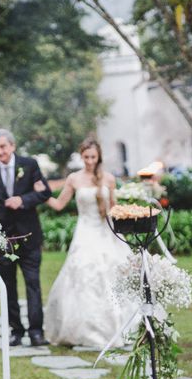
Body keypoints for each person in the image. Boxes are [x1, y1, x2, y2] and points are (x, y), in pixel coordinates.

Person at [39, 138, 134, 348]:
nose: (90, 161)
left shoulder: (108, 179)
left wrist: (126, 223)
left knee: (111, 272)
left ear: (98, 157)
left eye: (93, 157)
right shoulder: (74, 179)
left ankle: (117, 325)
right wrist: (42, 193)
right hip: (85, 232)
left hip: (105, 230)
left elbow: (114, 208)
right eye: (86, 157)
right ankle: (81, 330)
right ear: (82, 157)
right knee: (83, 273)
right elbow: (58, 204)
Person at [0, 129, 52, 347]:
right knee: (7, 285)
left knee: (33, 284)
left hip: (29, 236)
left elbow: (44, 192)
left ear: (12, 146)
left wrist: (23, 199)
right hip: (1, 239)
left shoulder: (29, 165)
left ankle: (36, 332)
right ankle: (16, 331)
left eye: (3, 147)